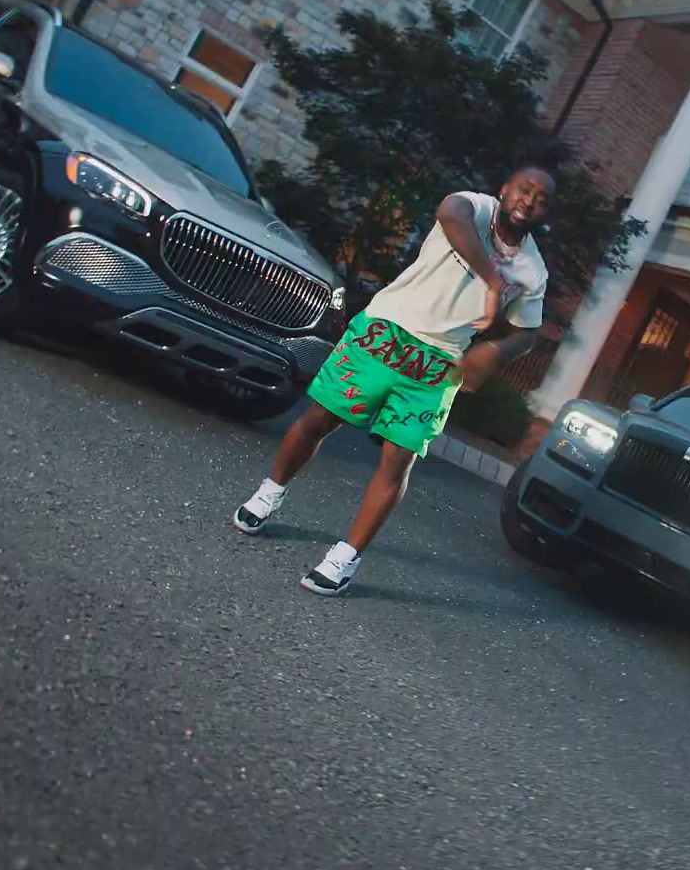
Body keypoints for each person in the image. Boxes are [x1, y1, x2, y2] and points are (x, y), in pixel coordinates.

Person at [232, 165, 553, 596]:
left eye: (540, 198)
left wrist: (496, 351)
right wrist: (492, 278)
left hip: (438, 366)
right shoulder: (473, 208)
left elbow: (529, 334)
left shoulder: (533, 270)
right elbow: (449, 212)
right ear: (504, 189)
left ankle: (345, 558)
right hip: (384, 331)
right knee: (318, 421)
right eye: (523, 189)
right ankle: (270, 492)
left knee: (397, 461)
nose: (528, 201)